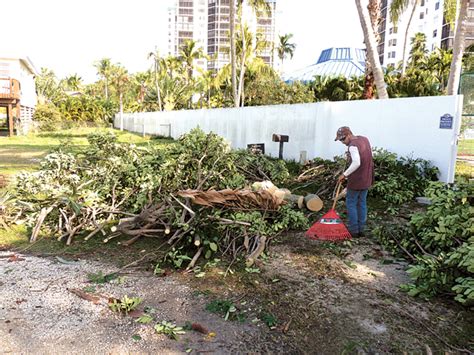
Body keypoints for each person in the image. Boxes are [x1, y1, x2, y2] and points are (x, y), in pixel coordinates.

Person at [335, 126, 374, 237]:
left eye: (343, 139)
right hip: (367, 178)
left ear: (348, 135)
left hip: (357, 180)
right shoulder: (364, 139)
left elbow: (357, 162)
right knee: (362, 203)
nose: (342, 142)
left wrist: (344, 174)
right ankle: (361, 229)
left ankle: (354, 230)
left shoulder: (352, 146)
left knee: (351, 203)